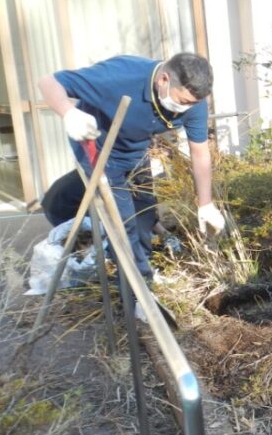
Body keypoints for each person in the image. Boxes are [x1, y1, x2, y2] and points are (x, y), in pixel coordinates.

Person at [37, 53, 225, 283]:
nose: (186, 109)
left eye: (193, 104)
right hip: (97, 146)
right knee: (123, 221)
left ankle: (141, 271)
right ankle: (137, 287)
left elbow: (200, 153)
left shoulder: (193, 102)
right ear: (163, 80)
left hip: (135, 148)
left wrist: (205, 204)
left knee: (144, 211)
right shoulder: (120, 76)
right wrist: (69, 113)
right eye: (183, 101)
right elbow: (48, 82)